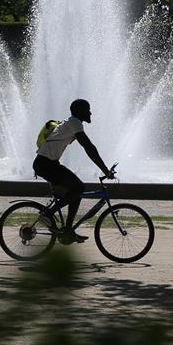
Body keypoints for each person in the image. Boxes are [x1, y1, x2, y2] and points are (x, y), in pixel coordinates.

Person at [33, 98, 114, 244]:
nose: (90, 113)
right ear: (79, 111)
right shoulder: (74, 123)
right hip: (45, 164)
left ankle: (68, 231)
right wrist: (105, 170)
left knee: (76, 192)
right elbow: (89, 147)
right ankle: (48, 214)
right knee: (79, 188)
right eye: (87, 109)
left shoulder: (71, 123)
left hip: (47, 164)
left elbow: (88, 147)